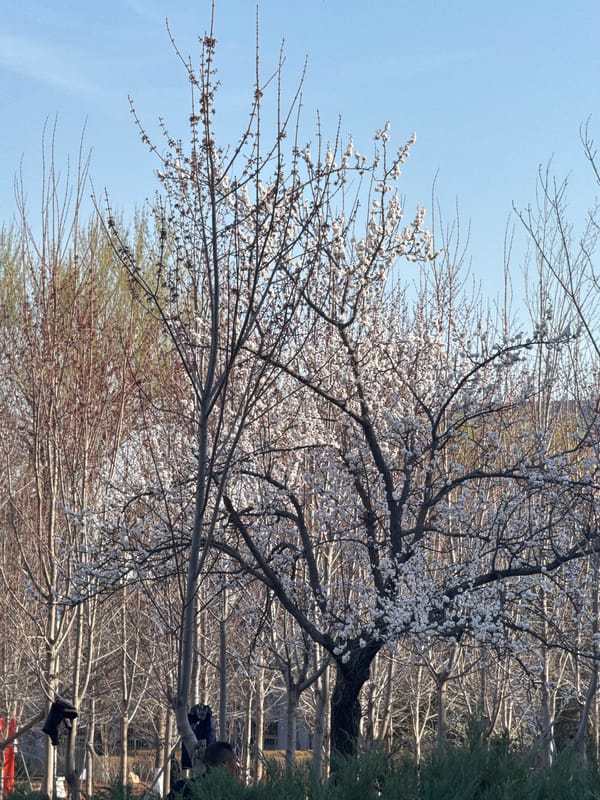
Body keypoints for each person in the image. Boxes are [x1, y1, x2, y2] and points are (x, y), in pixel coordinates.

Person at [165, 741, 239, 799]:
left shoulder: (181, 788)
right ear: (224, 765)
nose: (237, 768)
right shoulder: (233, 794)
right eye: (235, 762)